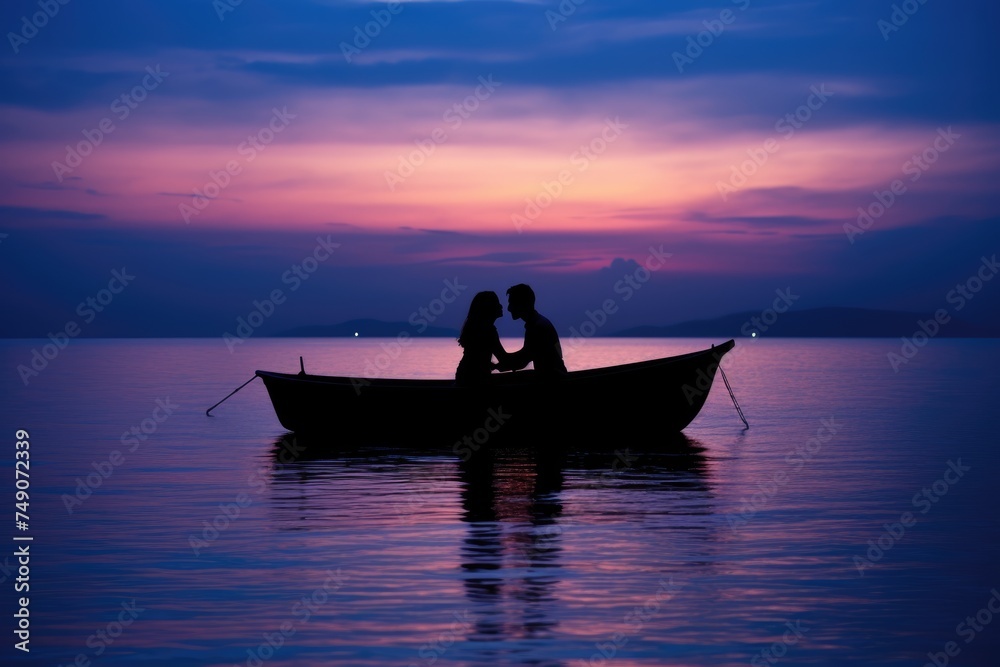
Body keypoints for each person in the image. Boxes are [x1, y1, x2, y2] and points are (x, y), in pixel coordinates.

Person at [497, 283, 567, 378]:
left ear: (524, 304)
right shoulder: (538, 323)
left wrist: (501, 364)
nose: (509, 308)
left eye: (512, 303)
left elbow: (523, 359)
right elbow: (525, 355)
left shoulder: (537, 328)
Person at [455, 291, 511, 386]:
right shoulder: (489, 331)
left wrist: (494, 365)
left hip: (465, 375)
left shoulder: (478, 329)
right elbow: (504, 359)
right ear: (489, 308)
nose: (501, 306)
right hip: (476, 379)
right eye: (497, 303)